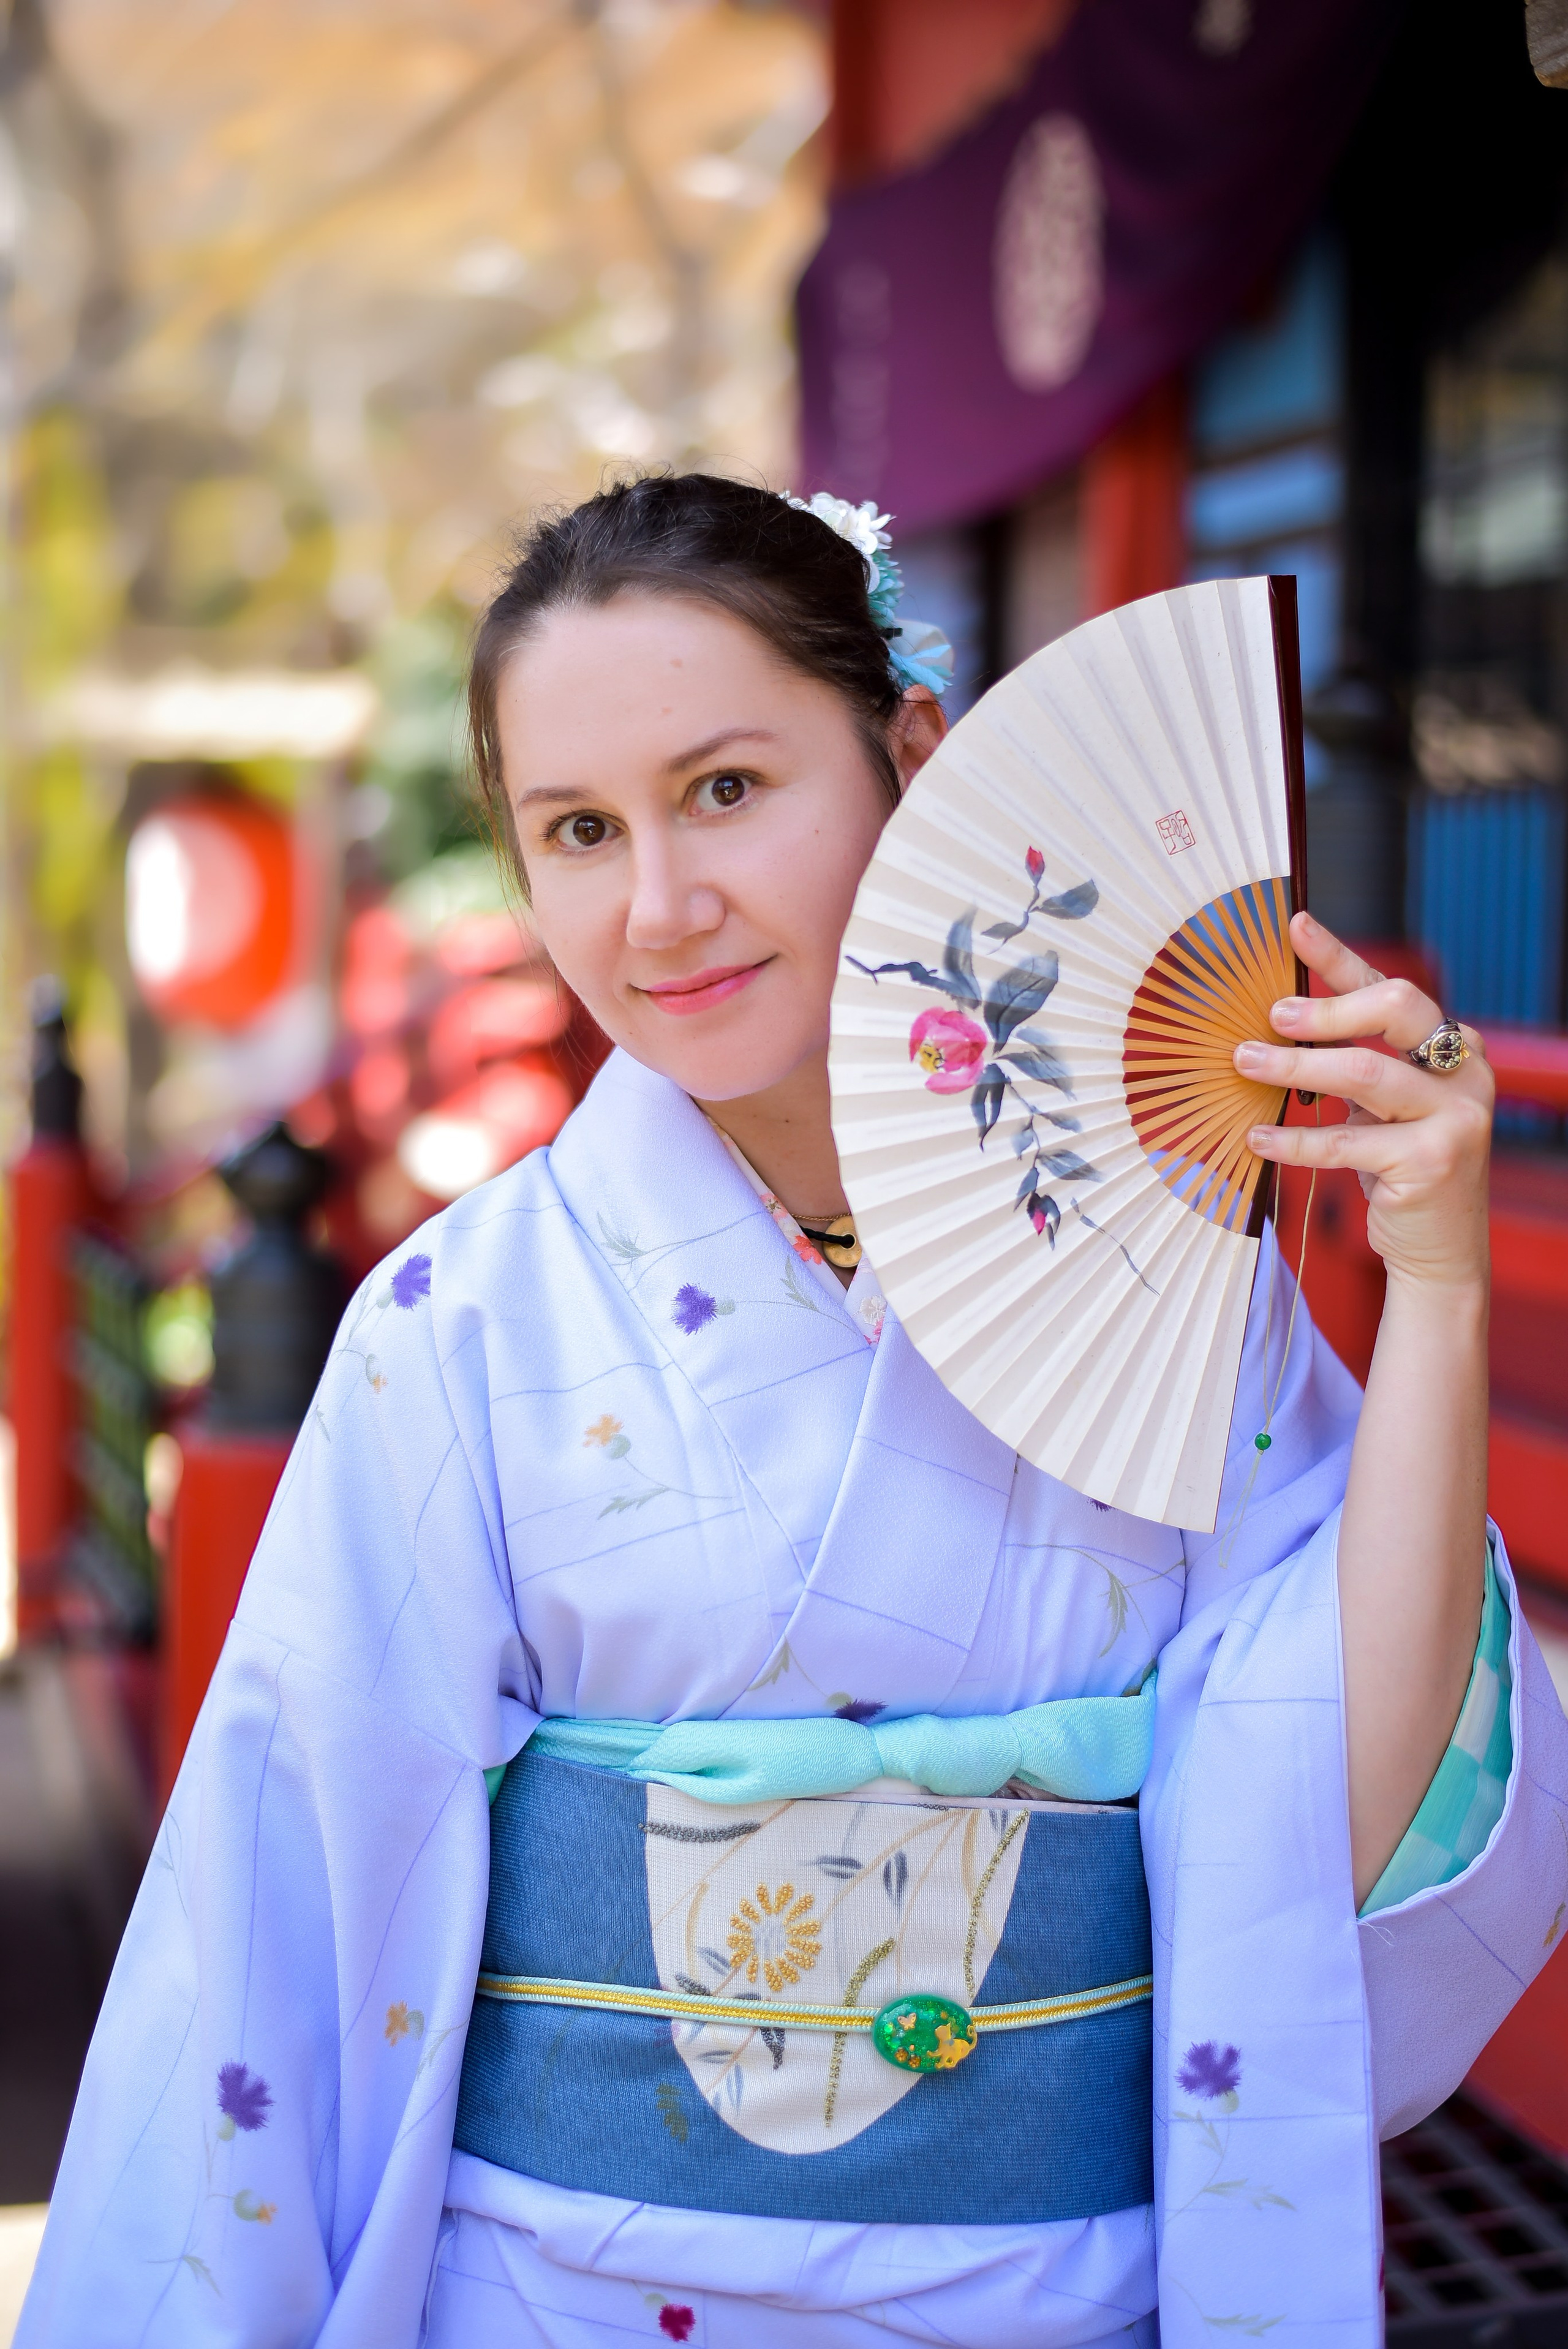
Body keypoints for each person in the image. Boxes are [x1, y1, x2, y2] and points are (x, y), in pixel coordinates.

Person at [20, 474, 1568, 2349]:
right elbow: (278, 1933)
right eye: (578, 828)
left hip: (1057, 2296)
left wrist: (1446, 1286)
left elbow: (1330, 1801)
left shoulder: (1157, 1268)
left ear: (911, 754)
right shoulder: (463, 1325)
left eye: (728, 789)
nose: (660, 906)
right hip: (569, 2300)